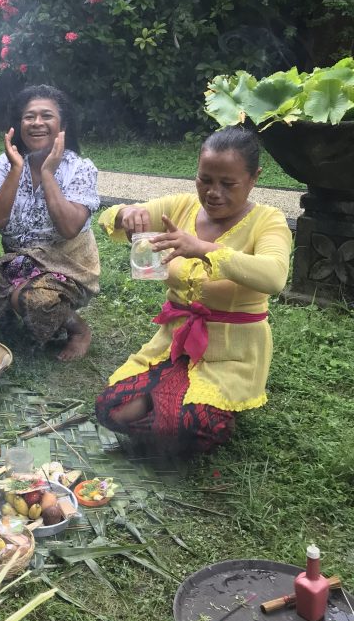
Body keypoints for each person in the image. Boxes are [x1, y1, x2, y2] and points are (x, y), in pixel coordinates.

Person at [94, 126, 291, 454]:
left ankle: (201, 404)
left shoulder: (268, 221)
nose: (213, 192)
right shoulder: (182, 207)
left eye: (228, 184)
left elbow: (274, 277)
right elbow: (110, 217)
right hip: (174, 342)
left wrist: (202, 248)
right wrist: (128, 213)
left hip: (230, 354)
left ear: (254, 177)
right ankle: (167, 396)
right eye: (205, 180)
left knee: (182, 426)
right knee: (110, 409)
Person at [0, 84, 101, 361]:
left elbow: (69, 227)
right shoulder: (6, 163)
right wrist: (17, 170)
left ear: (63, 125)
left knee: (35, 299)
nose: (37, 123)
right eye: (29, 116)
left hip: (69, 269)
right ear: (18, 125)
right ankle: (8, 325)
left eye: (46, 116)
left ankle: (77, 330)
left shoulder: (80, 169)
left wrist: (47, 173)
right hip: (21, 264)